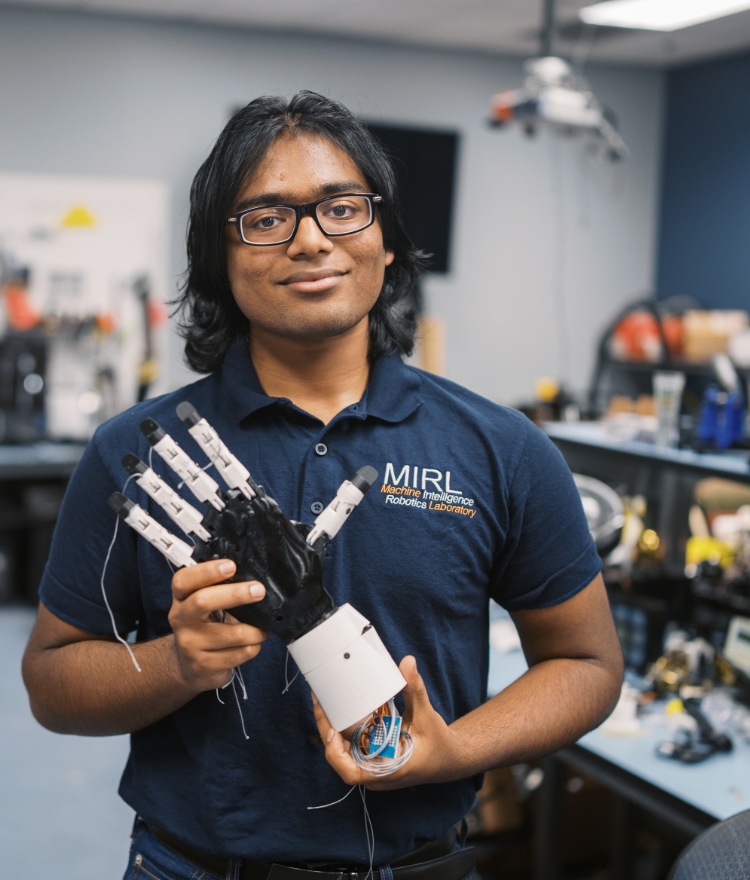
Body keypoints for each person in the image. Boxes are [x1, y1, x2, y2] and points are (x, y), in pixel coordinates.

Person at [22, 91, 624, 880]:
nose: (310, 241)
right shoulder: (136, 452)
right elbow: (51, 681)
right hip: (195, 866)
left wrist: (454, 748)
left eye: (341, 207)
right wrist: (178, 662)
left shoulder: (501, 449)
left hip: (420, 864)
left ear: (385, 236)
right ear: (219, 254)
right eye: (266, 217)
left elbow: (587, 664)